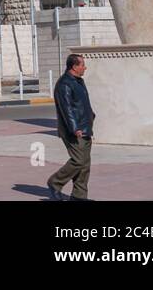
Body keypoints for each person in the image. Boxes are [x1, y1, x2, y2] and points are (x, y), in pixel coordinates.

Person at [48, 54, 96, 200]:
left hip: (85, 128)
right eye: (82, 65)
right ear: (74, 66)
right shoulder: (64, 84)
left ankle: (79, 196)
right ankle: (55, 182)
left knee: (85, 165)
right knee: (78, 161)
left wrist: (91, 116)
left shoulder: (79, 81)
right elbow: (66, 108)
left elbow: (82, 104)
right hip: (74, 131)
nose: (85, 67)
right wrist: (74, 128)